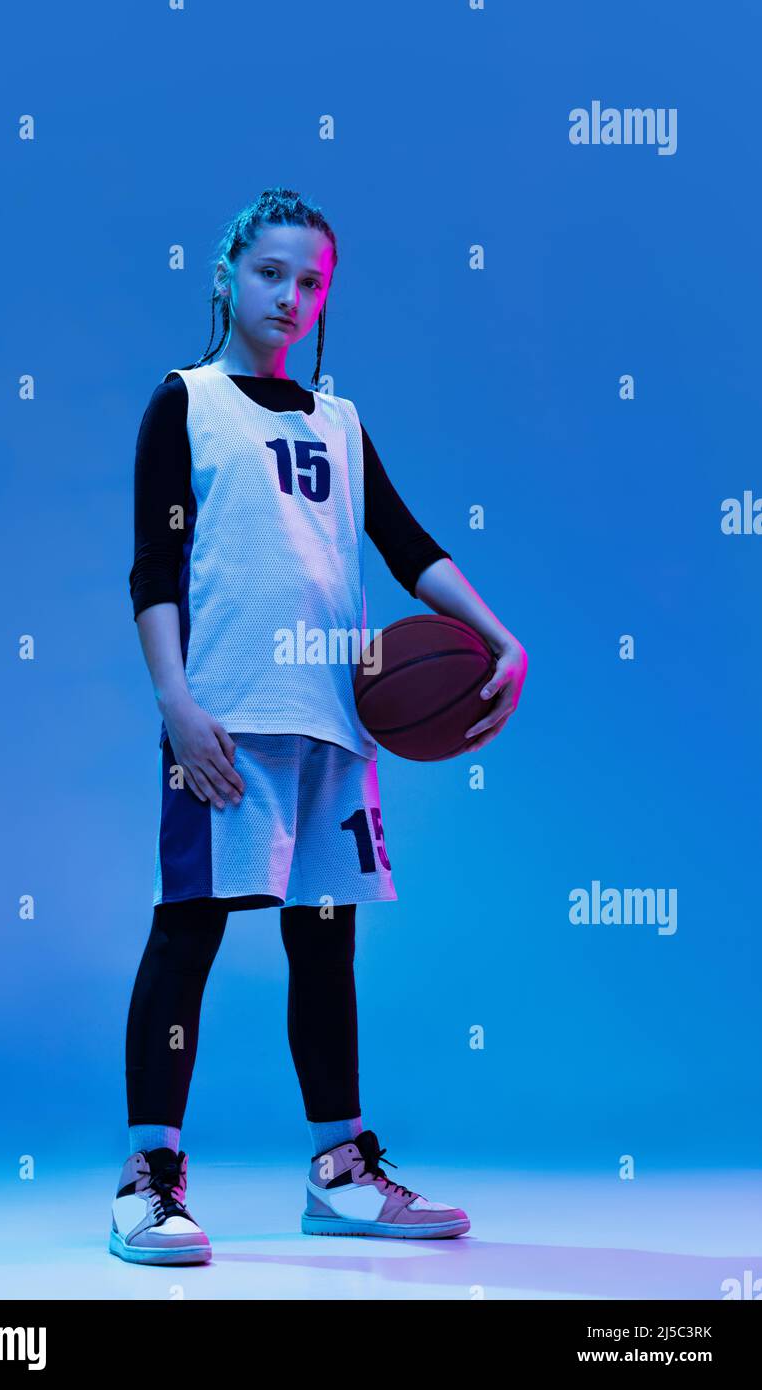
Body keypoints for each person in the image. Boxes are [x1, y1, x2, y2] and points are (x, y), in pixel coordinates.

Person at [109, 187, 528, 1265]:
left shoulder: (341, 420)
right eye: (272, 274)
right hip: (226, 713)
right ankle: (148, 1177)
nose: (292, 296)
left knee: (326, 939)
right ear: (227, 274)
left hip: (336, 717)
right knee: (191, 924)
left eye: (312, 282)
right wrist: (176, 702)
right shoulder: (188, 401)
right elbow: (155, 569)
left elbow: (404, 542)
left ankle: (339, 1170)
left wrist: (497, 637)